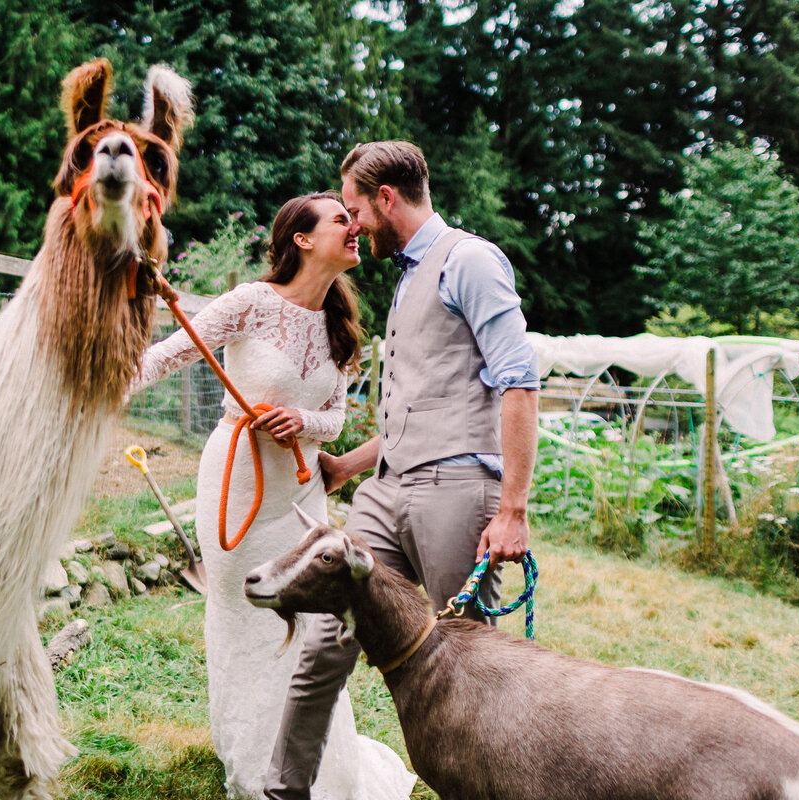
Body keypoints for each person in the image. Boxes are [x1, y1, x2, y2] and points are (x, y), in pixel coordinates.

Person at [263, 141, 541, 800]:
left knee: (470, 672)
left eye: (355, 208)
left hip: (457, 494)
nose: (351, 224)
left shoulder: (470, 262)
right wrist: (345, 469)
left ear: (386, 199)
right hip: (385, 498)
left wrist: (512, 510)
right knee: (327, 642)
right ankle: (283, 792)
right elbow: (417, 412)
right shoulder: (411, 277)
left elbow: (520, 384)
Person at [134, 192, 418, 800]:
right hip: (236, 481)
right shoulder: (251, 304)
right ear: (302, 239)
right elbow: (170, 353)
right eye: (341, 219)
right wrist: (102, 383)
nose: (355, 225)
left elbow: (337, 419)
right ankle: (252, 754)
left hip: (301, 493)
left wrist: (300, 420)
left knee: (314, 620)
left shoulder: (340, 329)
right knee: (243, 611)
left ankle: (318, 767)